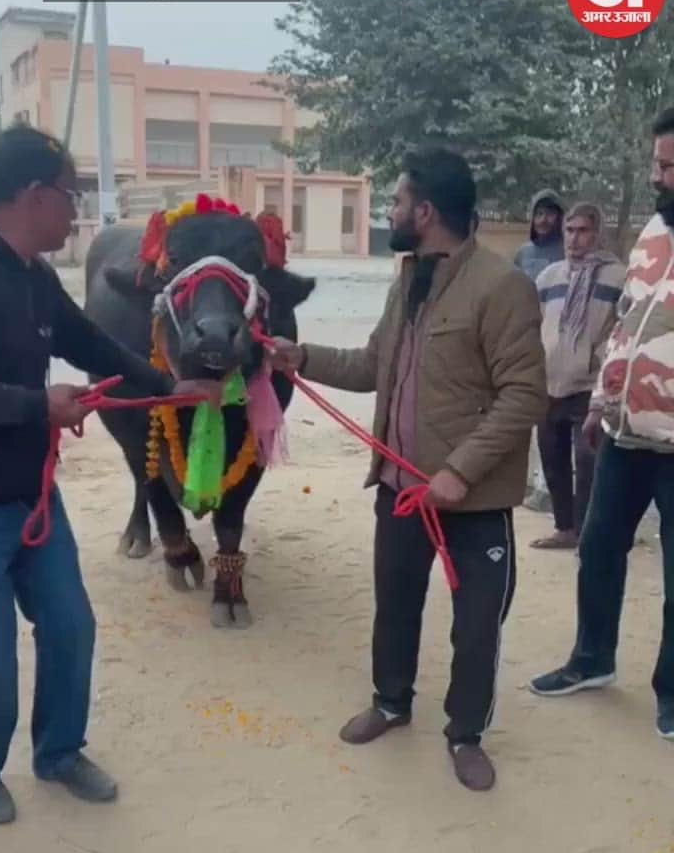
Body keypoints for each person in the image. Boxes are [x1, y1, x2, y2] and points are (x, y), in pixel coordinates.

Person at [269, 147, 547, 791]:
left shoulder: (502, 287)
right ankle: (391, 703)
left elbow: (525, 395)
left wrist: (459, 472)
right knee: (394, 606)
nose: (388, 211)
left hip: (471, 504)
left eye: (395, 201)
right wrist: (302, 356)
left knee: (476, 628)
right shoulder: (407, 283)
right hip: (400, 492)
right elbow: (373, 365)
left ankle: (466, 733)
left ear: (424, 212)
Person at [0, 124, 192, 825]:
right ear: (34, 195)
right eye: (70, 195)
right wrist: (37, 406)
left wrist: (167, 385)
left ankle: (59, 753)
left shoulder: (34, 275)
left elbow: (87, 340)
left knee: (70, 627)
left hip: (33, 495)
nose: (75, 210)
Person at [530, 107, 674, 740]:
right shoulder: (654, 233)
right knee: (596, 548)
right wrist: (599, 402)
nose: (656, 176)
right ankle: (592, 659)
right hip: (624, 433)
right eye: (656, 163)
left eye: (667, 166)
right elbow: (625, 327)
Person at [530, 203, 625, 550]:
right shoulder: (549, 277)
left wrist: (603, 372)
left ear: (597, 234)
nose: (574, 239)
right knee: (552, 458)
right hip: (550, 382)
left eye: (583, 230)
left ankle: (587, 534)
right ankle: (564, 529)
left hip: (590, 385)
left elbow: (623, 331)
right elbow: (535, 326)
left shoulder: (619, 278)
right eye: (569, 231)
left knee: (587, 461)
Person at [513, 189, 566, 282]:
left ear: (560, 217)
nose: (543, 220)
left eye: (550, 214)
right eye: (539, 214)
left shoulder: (568, 252)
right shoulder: (522, 253)